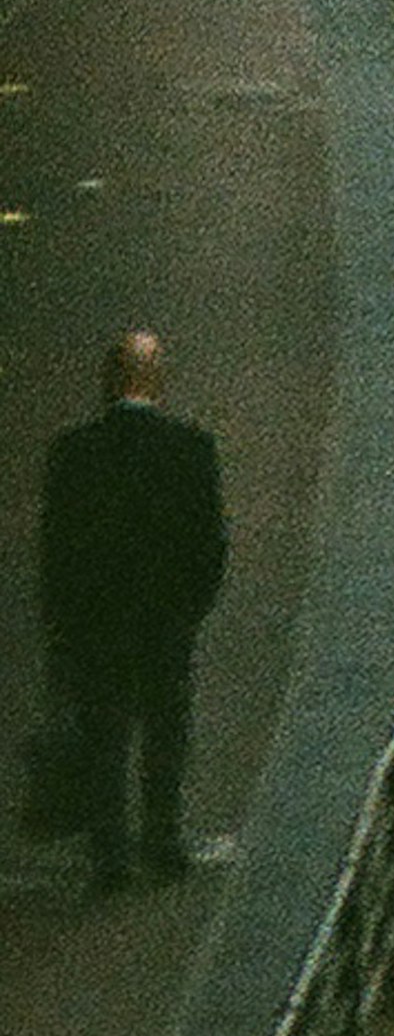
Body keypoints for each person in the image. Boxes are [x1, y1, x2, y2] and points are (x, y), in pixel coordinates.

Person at [38, 326, 226, 891]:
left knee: (105, 735)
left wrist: (63, 620)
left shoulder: (71, 453)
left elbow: (57, 547)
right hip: (167, 617)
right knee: (166, 730)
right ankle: (162, 838)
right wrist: (193, 605)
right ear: (155, 380)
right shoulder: (191, 448)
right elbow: (209, 541)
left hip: (97, 620)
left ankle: (110, 855)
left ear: (108, 381)